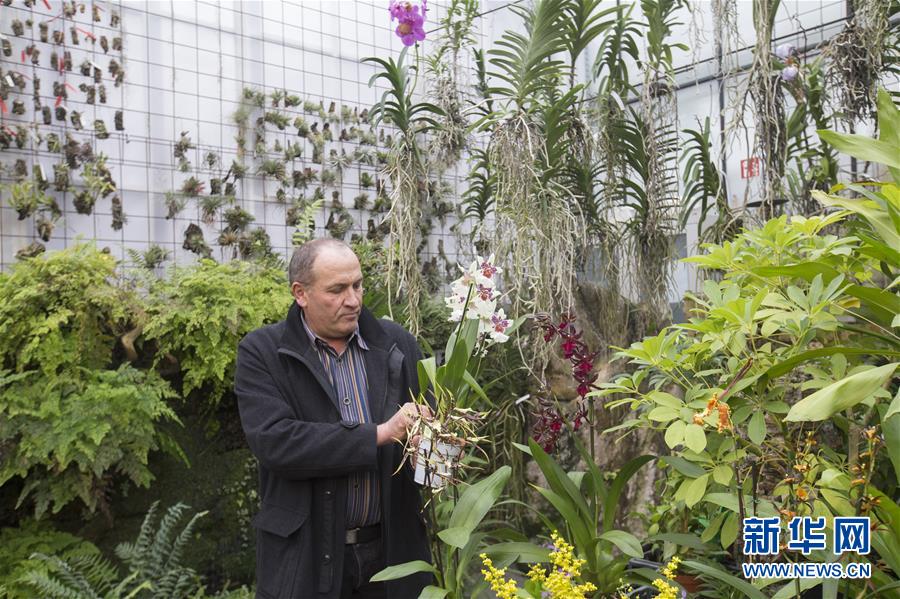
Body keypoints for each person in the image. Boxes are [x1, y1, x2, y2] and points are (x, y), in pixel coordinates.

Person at [235, 238, 432, 599]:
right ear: (301, 293)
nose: (353, 300)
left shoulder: (397, 344)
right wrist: (380, 433)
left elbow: (430, 435)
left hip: (394, 553)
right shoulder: (263, 353)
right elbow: (277, 442)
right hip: (305, 557)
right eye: (337, 290)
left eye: (357, 285)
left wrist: (435, 447)